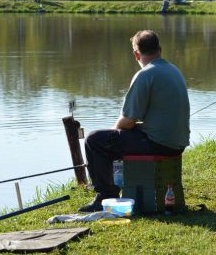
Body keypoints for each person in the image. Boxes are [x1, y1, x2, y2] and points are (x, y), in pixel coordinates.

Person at [79, 30, 190, 212]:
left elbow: (128, 121)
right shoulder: (173, 69)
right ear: (159, 50)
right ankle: (115, 187)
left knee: (94, 140)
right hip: (177, 142)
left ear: (136, 54)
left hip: (159, 144)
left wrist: (114, 132)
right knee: (114, 139)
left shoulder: (145, 75)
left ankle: (105, 196)